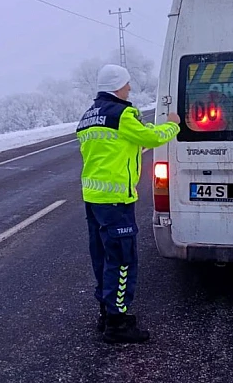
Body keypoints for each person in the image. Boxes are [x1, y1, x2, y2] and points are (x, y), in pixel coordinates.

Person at [76, 63, 181, 344]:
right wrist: (173, 123)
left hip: (94, 199)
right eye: (126, 84)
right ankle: (118, 323)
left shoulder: (88, 116)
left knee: (102, 258)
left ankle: (106, 312)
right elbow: (153, 137)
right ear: (116, 86)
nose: (130, 88)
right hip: (116, 201)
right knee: (122, 260)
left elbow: (115, 148)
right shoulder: (121, 114)